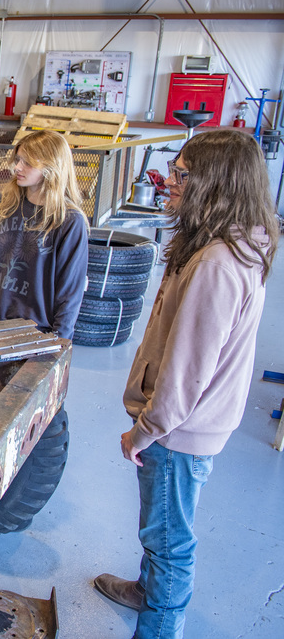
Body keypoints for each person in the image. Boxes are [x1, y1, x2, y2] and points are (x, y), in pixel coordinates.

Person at [93, 129, 278, 639]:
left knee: (170, 540)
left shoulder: (217, 263)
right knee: (162, 526)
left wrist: (145, 431)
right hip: (186, 423)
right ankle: (147, 590)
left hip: (179, 431)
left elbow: (186, 371)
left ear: (215, 183)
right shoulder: (225, 242)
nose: (169, 181)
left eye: (182, 174)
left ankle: (158, 628)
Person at [0, 130, 89, 339]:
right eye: (18, 160)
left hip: (31, 330)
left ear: (52, 167)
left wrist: (60, 339)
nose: (17, 167)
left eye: (28, 163)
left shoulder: (68, 221)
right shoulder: (2, 204)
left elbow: (70, 290)